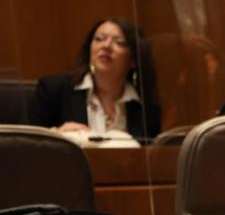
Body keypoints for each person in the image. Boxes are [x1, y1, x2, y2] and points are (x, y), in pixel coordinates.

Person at [32, 17, 162, 141]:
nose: (106, 46)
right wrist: (57, 135)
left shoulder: (146, 108)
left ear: (134, 60)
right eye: (99, 39)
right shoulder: (53, 90)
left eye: (119, 42)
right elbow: (30, 144)